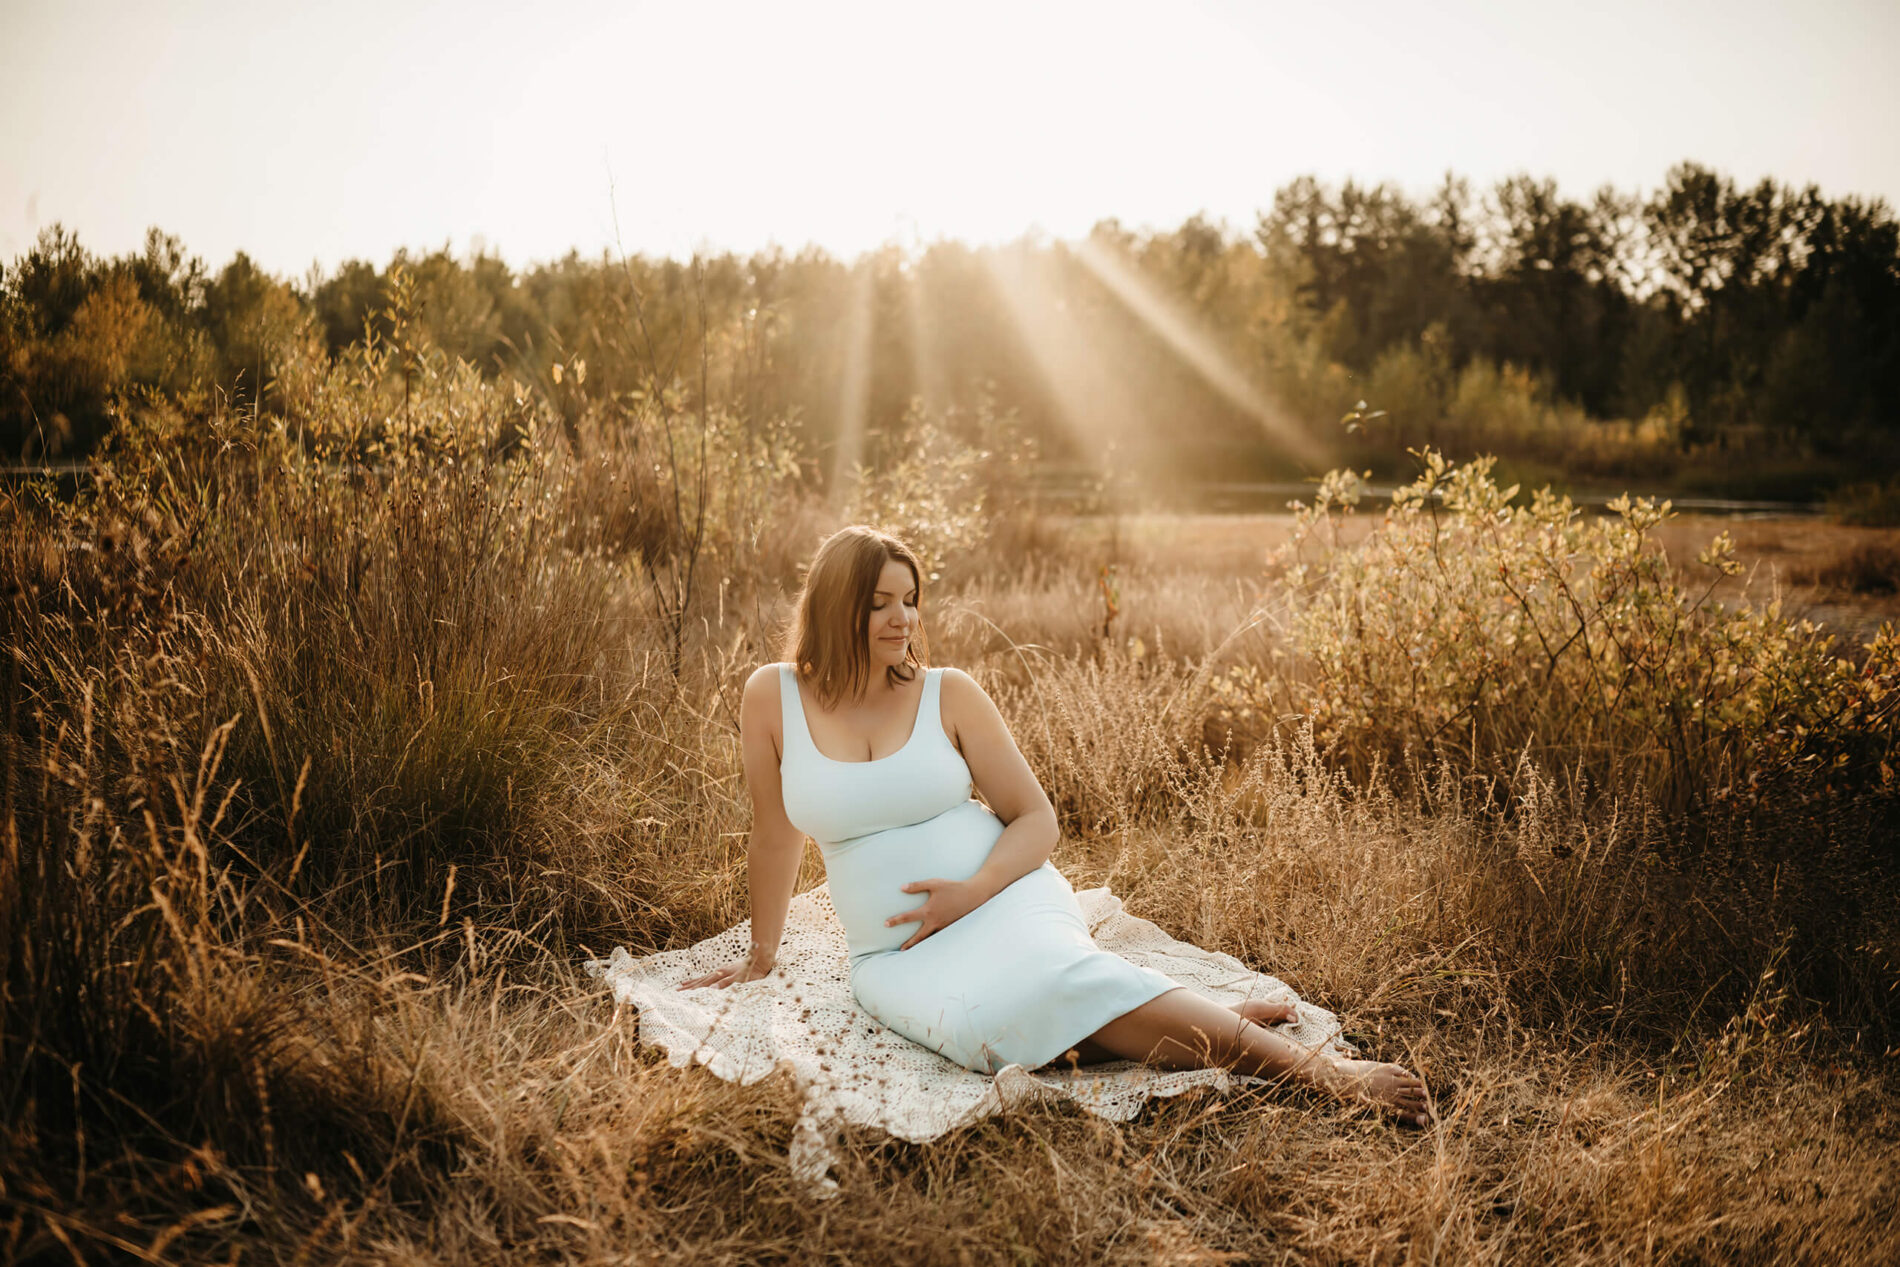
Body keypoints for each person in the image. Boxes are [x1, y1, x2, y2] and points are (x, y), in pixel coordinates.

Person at [681, 525, 1431, 1127]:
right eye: (881, 601)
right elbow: (774, 832)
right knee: (992, 1033)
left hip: (1004, 894)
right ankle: (1179, 1011)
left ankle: (1330, 1076)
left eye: (911, 599)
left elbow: (1039, 821)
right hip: (895, 954)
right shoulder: (770, 696)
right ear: (836, 605)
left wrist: (969, 893)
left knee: (1051, 981)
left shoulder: (948, 693)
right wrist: (763, 948)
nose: (903, 618)